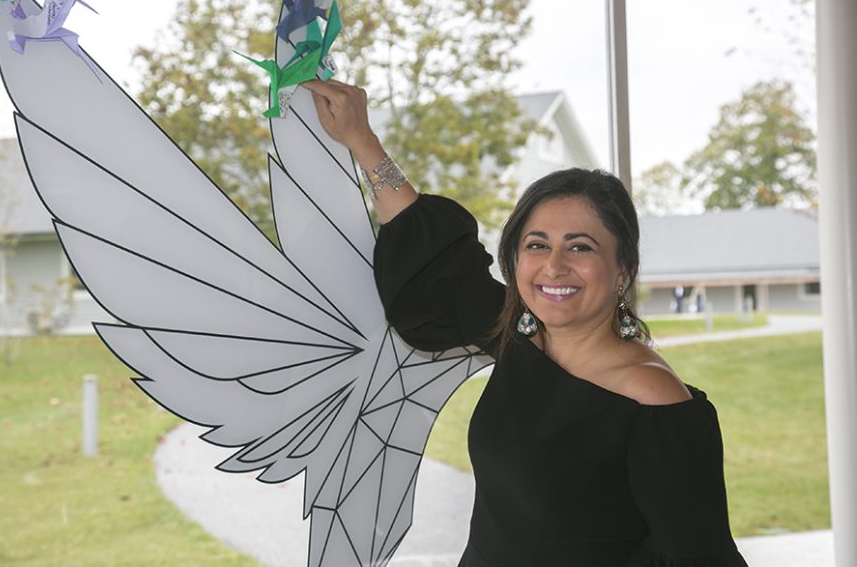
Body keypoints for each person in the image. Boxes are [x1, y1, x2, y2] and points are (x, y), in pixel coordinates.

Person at [303, 79, 748, 567]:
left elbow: (696, 558)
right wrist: (364, 142)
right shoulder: (520, 339)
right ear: (515, 259)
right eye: (537, 245)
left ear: (622, 269)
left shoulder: (653, 400)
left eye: (580, 247)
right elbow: (437, 262)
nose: (554, 266)